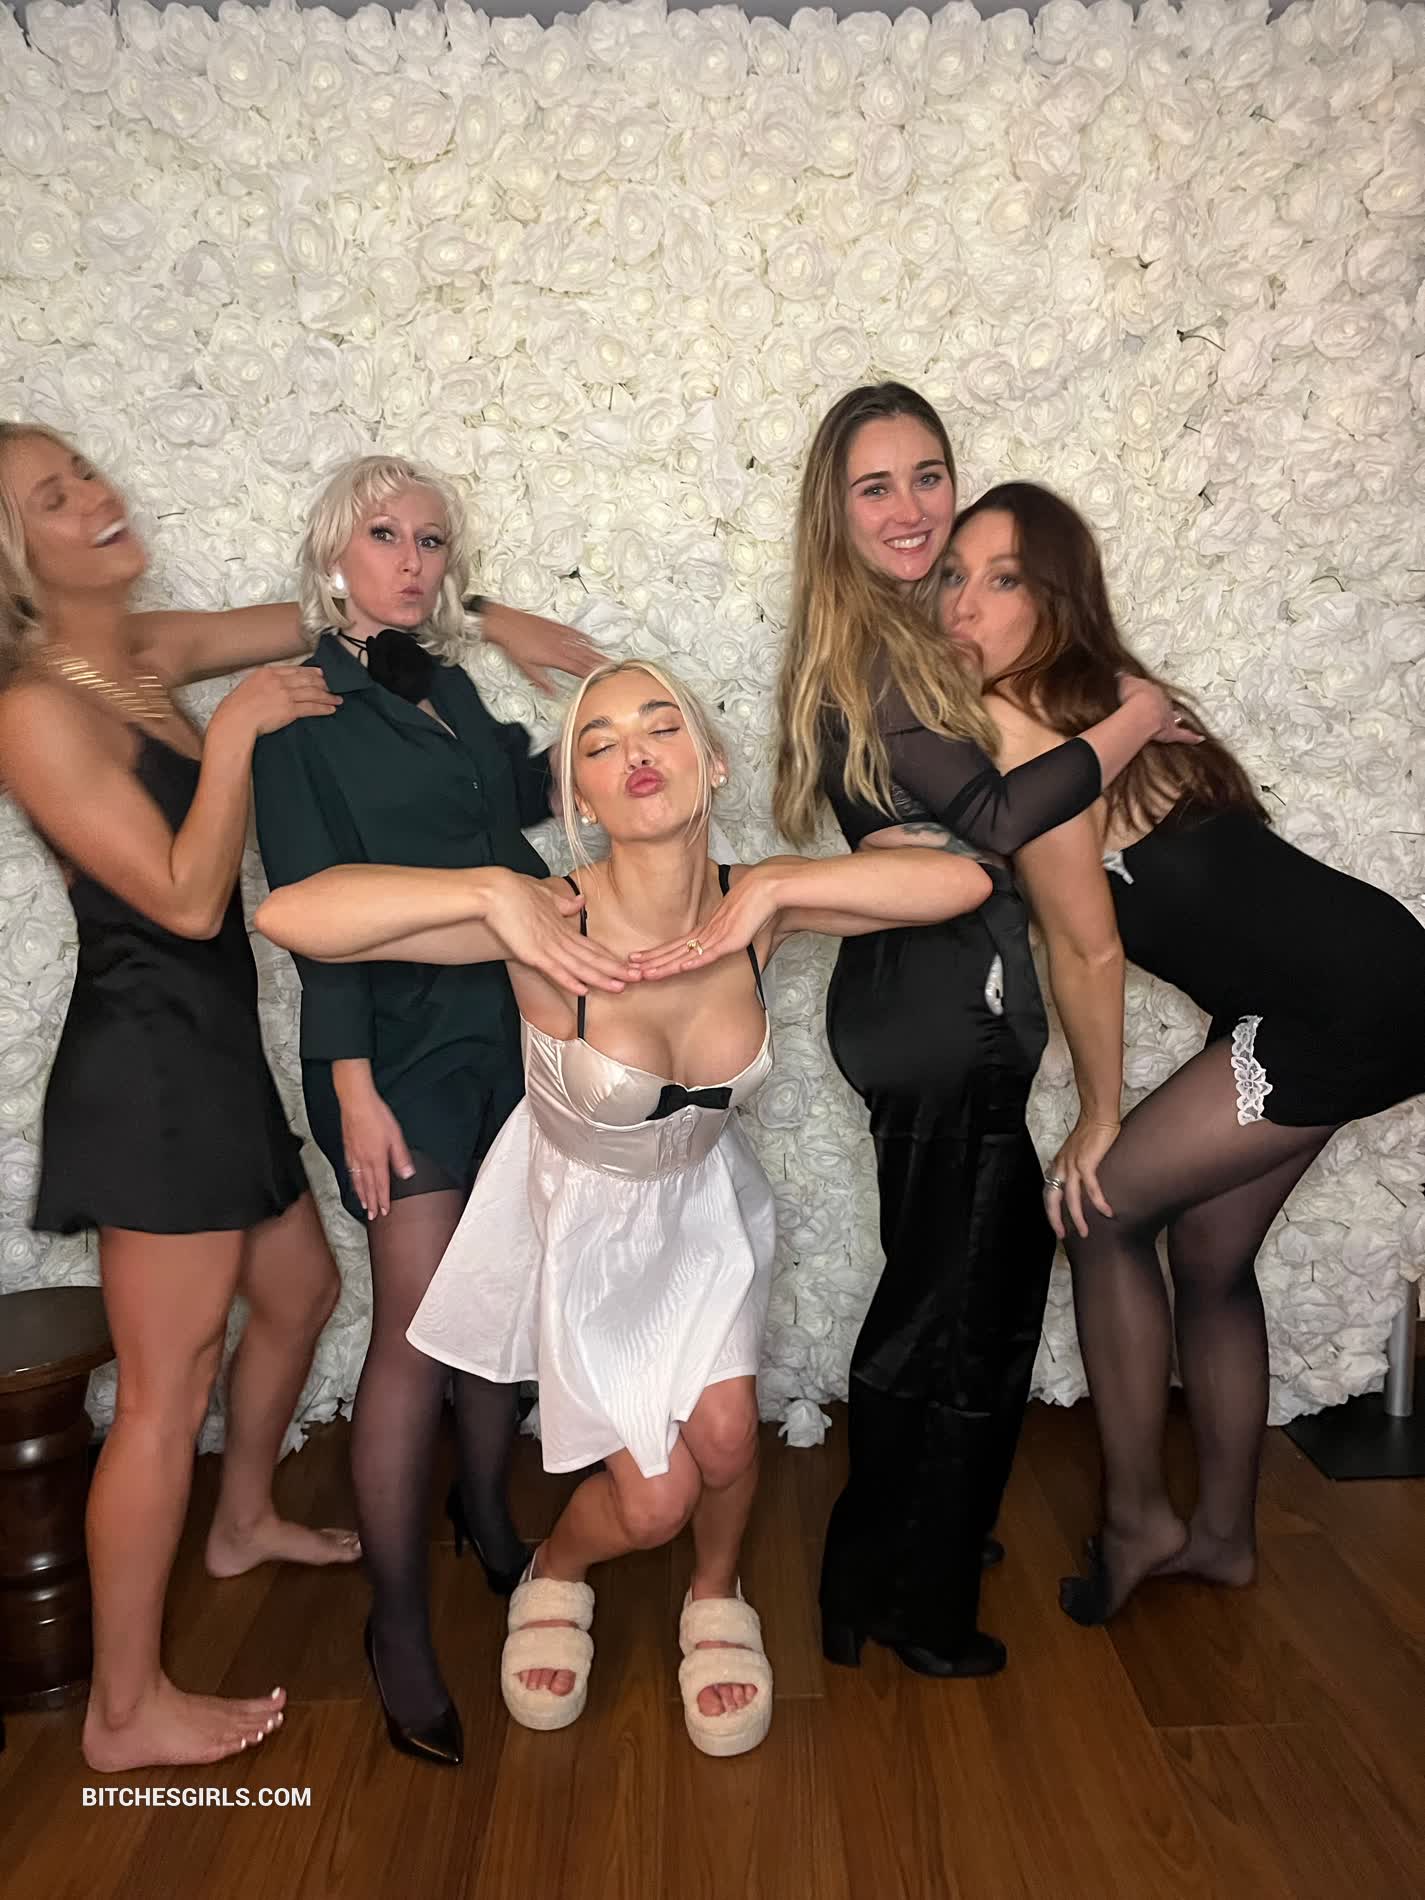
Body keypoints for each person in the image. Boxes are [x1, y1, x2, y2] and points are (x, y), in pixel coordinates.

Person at [255, 657, 993, 1756]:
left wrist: (781, 884)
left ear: (712, 763)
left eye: (662, 728)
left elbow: (962, 881)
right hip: (585, 1230)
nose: (636, 754)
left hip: (703, 1210)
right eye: (600, 745)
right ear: (580, 798)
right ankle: (557, 1568)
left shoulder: (753, 908)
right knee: (651, 1500)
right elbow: (291, 915)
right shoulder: (544, 919)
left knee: (729, 1438)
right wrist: (487, 892)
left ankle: (716, 1591)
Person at [941, 480, 1425, 1623]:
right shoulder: (1103, 707)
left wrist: (1099, 1113)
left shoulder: (1036, 728)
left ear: (1054, 595)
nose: (963, 603)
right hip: (1342, 987)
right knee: (1206, 1253)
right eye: (953, 576)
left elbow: (1088, 948)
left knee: (1100, 1209)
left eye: (1001, 578)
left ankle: (1139, 1520)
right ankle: (1222, 1540)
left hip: (1346, 996)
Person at [774, 383, 1195, 1679]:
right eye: (876, 486)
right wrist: (1132, 718)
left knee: (940, 1295)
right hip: (936, 1015)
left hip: (923, 1009)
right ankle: (917, 1599)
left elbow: (972, 821)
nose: (911, 508)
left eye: (928, 476)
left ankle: (886, 1558)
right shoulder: (874, 652)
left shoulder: (902, 641)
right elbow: (1007, 818)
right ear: (835, 514)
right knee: (971, 1319)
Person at [0, 421, 354, 1772]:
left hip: (211, 1052)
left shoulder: (143, 654)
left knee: (303, 1288)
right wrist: (243, 731)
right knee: (163, 1392)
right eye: (54, 496)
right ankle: (122, 1709)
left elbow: (325, 610)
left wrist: (482, 611)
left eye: (85, 470)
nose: (97, 496)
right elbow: (191, 899)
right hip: (147, 1070)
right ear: (15, 558)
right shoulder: (34, 711)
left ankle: (242, 1518)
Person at [250, 454, 593, 1768]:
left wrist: (617, 736)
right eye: (384, 534)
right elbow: (312, 913)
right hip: (391, 1048)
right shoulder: (296, 709)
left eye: (431, 540)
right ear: (334, 553)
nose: (410, 559)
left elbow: (504, 813)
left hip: (504, 1022)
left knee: (499, 1289)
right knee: (415, 1324)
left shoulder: (445, 684)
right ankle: (395, 1623)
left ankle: (487, 1514)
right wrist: (350, 1089)